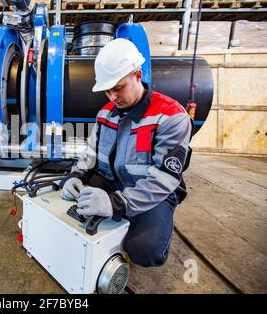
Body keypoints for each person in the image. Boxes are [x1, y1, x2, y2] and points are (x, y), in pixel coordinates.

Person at [61, 38, 193, 267]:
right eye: (107, 91)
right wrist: (76, 175)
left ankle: (156, 226)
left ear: (137, 76)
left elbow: (164, 180)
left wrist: (116, 205)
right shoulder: (105, 114)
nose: (113, 97)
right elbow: (90, 152)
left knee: (145, 250)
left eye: (118, 88)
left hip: (151, 192)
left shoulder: (171, 116)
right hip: (112, 181)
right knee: (67, 209)